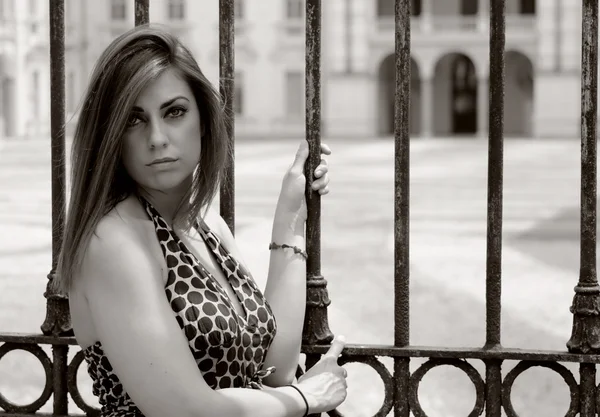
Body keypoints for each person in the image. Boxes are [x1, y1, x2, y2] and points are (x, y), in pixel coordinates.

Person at [54, 24, 348, 417]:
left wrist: (290, 220)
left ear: (204, 121)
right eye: (133, 119)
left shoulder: (207, 225)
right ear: (111, 135)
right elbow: (181, 408)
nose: (157, 138)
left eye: (174, 112)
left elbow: (271, 370)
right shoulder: (113, 240)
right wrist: (310, 397)